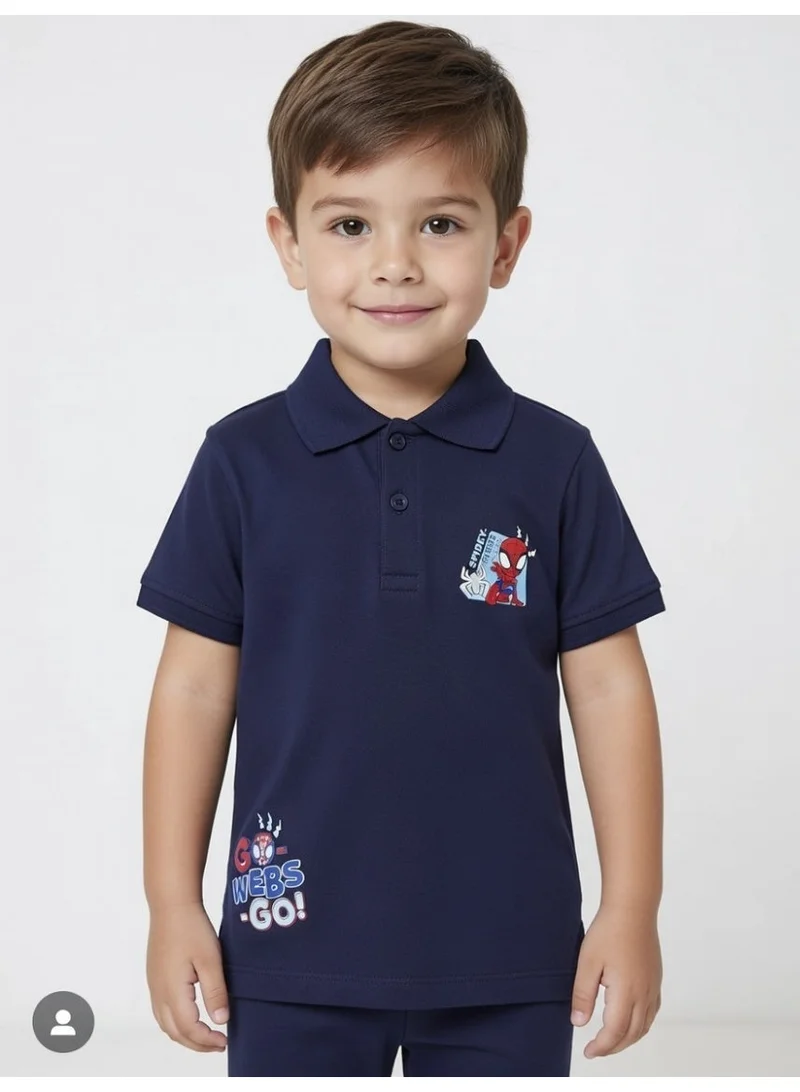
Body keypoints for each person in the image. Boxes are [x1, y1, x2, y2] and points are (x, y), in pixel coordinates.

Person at [136, 19, 666, 1078]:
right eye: (348, 224)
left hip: (512, 954)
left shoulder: (555, 461)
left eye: (439, 222)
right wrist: (170, 904)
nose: (393, 264)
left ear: (505, 245)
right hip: (285, 951)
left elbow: (610, 691)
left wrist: (631, 907)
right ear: (288, 243)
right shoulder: (241, 461)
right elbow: (192, 691)